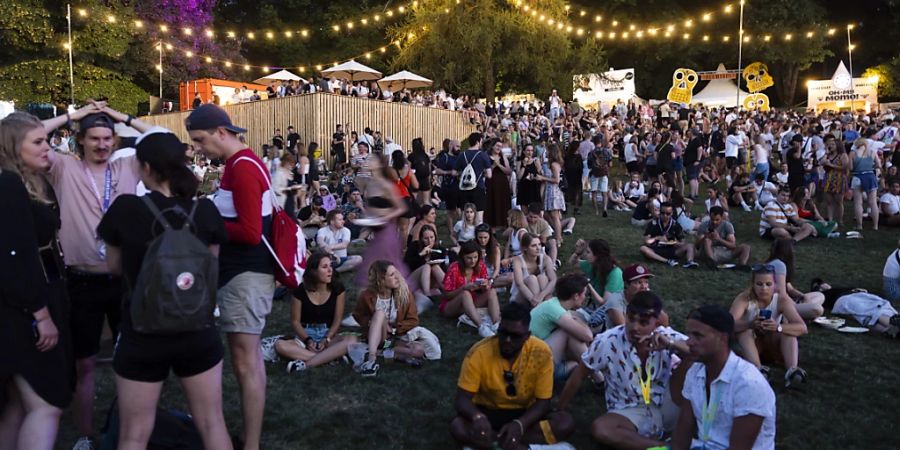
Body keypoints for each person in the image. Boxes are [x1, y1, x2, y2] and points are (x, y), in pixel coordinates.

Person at [96, 129, 232, 450]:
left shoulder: (126, 208)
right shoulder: (206, 211)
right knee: (212, 423)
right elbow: (211, 269)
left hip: (142, 330)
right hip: (196, 327)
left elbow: (114, 267)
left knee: (133, 434)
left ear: (145, 168)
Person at [40, 102, 153, 450]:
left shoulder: (128, 166)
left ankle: (132, 429)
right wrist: (72, 115)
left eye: (108, 138)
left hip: (124, 280)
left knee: (133, 361)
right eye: (94, 138)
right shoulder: (63, 168)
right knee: (85, 363)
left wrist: (124, 118)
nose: (102, 144)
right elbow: (23, 136)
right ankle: (87, 435)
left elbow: (166, 140)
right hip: (82, 281)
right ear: (80, 141)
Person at [186, 103, 274, 450]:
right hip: (243, 272)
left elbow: (251, 232)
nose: (197, 148)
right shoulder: (238, 164)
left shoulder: (242, 167)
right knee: (246, 360)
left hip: (247, 273)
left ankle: (251, 444)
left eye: (200, 140)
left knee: (245, 361)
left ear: (221, 133)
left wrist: (205, 220)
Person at [0, 112, 71, 450]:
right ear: (15, 146)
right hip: (24, 307)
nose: (49, 147)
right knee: (47, 405)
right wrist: (40, 314)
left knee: (19, 405)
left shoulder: (34, 181)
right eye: (39, 142)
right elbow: (15, 257)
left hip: (37, 297)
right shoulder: (9, 185)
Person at [557, 292, 688, 450]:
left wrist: (671, 344)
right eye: (631, 319)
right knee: (602, 429)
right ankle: (665, 447)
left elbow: (702, 351)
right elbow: (578, 375)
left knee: (693, 359)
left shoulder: (666, 337)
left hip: (666, 403)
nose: (635, 327)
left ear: (657, 323)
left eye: (644, 322)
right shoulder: (607, 341)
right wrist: (560, 410)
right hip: (630, 408)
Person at [450, 302, 575, 449]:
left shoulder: (542, 352)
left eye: (515, 336)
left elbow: (543, 403)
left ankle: (498, 442)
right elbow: (462, 399)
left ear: (527, 336)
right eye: (503, 333)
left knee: (565, 423)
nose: (507, 340)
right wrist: (478, 417)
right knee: (458, 426)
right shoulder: (478, 353)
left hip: (525, 415)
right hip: (488, 413)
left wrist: (520, 424)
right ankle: (515, 445)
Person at [672, 305, 776, 450]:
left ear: (723, 338)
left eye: (698, 335)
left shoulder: (748, 384)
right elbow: (682, 433)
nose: (689, 342)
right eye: (689, 334)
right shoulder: (696, 372)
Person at [266, 252, 358, 371]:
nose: (330, 270)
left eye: (330, 266)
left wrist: (327, 338)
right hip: (305, 335)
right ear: (313, 271)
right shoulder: (300, 291)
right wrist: (308, 340)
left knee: (351, 339)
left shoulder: (337, 289)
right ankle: (330, 358)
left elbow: (337, 319)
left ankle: (305, 364)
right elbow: (295, 322)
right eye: (324, 267)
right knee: (280, 346)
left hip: (327, 334)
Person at [729, 264, 809, 387]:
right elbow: (728, 324)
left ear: (775, 285)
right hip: (751, 345)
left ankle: (792, 371)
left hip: (773, 343)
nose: (764, 288)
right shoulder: (744, 298)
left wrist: (778, 327)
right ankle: (758, 369)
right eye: (759, 284)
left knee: (789, 331)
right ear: (753, 284)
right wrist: (750, 324)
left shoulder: (781, 299)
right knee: (745, 332)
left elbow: (802, 328)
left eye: (768, 284)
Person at [352, 260, 428, 376]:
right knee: (379, 314)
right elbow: (358, 315)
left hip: (395, 337)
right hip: (378, 338)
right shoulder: (367, 296)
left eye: (396, 273)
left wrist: (394, 329)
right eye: (392, 275)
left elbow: (413, 319)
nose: (397, 277)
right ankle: (371, 360)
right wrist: (374, 322)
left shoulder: (404, 294)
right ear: (381, 280)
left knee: (418, 351)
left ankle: (382, 353)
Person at [528, 274, 593, 380]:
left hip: (539, 357)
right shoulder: (554, 309)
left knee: (577, 363)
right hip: (533, 364)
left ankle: (596, 373)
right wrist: (580, 323)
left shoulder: (556, 305)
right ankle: (600, 379)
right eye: (584, 294)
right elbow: (588, 336)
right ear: (576, 296)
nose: (585, 297)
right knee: (568, 332)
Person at [441, 241, 501, 338]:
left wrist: (485, 286)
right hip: (452, 305)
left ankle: (496, 324)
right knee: (465, 293)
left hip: (471, 303)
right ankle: (481, 327)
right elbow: (447, 295)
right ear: (462, 257)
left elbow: (485, 285)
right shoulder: (454, 268)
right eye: (469, 258)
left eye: (475, 257)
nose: (472, 261)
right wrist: (464, 287)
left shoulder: (480, 265)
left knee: (491, 291)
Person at [569, 239, 623, 333]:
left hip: (605, 316)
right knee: (566, 318)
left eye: (588, 252)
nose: (585, 255)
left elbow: (603, 303)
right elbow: (572, 263)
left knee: (571, 324)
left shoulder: (615, 273)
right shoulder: (592, 265)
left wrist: (588, 284)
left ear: (597, 255)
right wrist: (577, 253)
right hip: (592, 309)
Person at [765, 238, 826, 320]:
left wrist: (803, 297)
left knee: (820, 295)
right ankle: (792, 316)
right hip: (779, 305)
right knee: (818, 309)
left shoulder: (777, 263)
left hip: (787, 301)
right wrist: (794, 305)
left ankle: (802, 313)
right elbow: (781, 293)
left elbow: (790, 289)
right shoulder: (779, 265)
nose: (794, 251)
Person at [640, 202, 699, 268]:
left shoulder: (676, 225)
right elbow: (646, 241)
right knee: (643, 248)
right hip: (656, 249)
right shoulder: (653, 223)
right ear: (660, 212)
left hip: (672, 250)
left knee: (690, 246)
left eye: (668, 214)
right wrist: (657, 238)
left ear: (672, 213)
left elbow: (683, 243)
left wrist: (675, 242)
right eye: (662, 213)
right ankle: (667, 261)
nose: (665, 215)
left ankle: (690, 261)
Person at [404, 224, 447, 311]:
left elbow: (442, 268)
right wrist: (421, 255)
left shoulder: (440, 249)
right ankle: (427, 295)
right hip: (414, 278)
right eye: (426, 238)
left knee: (435, 267)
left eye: (432, 237)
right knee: (427, 266)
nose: (429, 240)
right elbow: (407, 264)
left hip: (431, 281)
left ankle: (449, 290)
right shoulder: (414, 246)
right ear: (421, 239)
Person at [455, 132, 493, 224]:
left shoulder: (462, 155)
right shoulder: (483, 155)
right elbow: (489, 175)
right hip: (478, 187)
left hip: (464, 187)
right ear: (478, 142)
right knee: (479, 216)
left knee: (465, 215)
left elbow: (454, 172)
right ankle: (478, 235)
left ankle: (464, 235)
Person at [511, 233, 558, 307]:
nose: (538, 248)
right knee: (532, 279)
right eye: (533, 246)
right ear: (525, 248)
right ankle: (544, 310)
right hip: (522, 297)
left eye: (539, 244)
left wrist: (541, 295)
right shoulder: (518, 260)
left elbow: (553, 279)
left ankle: (546, 309)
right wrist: (533, 299)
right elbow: (519, 284)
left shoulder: (545, 258)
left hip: (541, 298)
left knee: (542, 278)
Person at [536, 143, 568, 244]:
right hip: (550, 190)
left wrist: (543, 178)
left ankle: (558, 237)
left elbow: (556, 180)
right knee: (547, 214)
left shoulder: (554, 164)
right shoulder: (554, 163)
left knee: (554, 215)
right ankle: (557, 231)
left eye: (548, 151)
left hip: (554, 191)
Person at [850, 137, 882, 231]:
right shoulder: (872, 152)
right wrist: (871, 166)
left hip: (857, 176)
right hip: (870, 176)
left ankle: (860, 225)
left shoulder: (853, 153)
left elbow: (850, 168)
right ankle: (875, 225)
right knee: (873, 202)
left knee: (858, 202)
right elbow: (879, 165)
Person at [821, 134, 850, 226]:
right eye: (830, 144)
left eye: (833, 144)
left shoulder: (843, 155)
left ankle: (840, 220)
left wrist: (831, 165)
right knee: (829, 201)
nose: (831, 146)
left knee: (839, 201)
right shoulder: (828, 155)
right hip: (828, 178)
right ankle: (830, 219)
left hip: (839, 179)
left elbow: (845, 167)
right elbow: (822, 162)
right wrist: (825, 155)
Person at [486, 138, 513, 228]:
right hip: (491, 183)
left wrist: (499, 165)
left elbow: (509, 171)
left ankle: (505, 225)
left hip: (502, 183)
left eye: (500, 146)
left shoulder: (503, 156)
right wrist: (493, 165)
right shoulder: (486, 156)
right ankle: (492, 227)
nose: (499, 148)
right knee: (492, 203)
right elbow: (485, 172)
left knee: (504, 203)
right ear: (492, 146)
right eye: (497, 145)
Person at [587, 135, 613, 216]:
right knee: (604, 192)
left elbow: (589, 165)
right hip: (604, 173)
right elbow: (610, 164)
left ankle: (596, 211)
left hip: (595, 173)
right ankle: (604, 208)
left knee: (594, 192)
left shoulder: (591, 153)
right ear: (601, 142)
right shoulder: (607, 151)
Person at [516, 143, 543, 208]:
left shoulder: (536, 161)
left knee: (535, 213)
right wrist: (524, 165)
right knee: (525, 214)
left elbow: (541, 176)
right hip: (523, 189)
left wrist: (538, 168)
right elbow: (519, 177)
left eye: (531, 150)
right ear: (524, 151)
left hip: (534, 189)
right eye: (528, 150)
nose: (530, 152)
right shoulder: (519, 162)